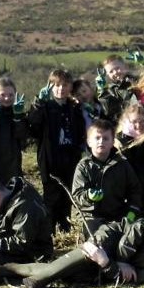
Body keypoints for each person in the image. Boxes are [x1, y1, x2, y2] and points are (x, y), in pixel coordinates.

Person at [0, 217, 144, 288]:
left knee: (73, 275)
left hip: (109, 261)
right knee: (89, 253)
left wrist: (107, 263)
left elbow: (128, 278)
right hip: (113, 237)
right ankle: (37, 281)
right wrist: (121, 260)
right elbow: (139, 228)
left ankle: (10, 268)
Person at [27, 69, 86, 233]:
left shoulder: (74, 108)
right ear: (50, 86)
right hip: (50, 160)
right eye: (57, 85)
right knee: (51, 197)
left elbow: (80, 131)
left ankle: (65, 229)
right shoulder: (45, 107)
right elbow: (33, 128)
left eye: (65, 85)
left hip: (70, 159)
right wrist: (37, 104)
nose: (61, 89)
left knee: (67, 196)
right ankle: (49, 231)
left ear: (70, 87)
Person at [72, 119, 143, 237]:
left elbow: (135, 190)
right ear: (89, 142)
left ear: (112, 142)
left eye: (106, 138)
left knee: (133, 235)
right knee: (98, 239)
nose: (101, 142)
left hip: (118, 214)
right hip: (91, 217)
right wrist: (88, 196)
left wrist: (132, 210)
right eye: (97, 138)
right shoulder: (83, 166)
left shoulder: (122, 164)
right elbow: (77, 194)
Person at [96, 54, 134, 123]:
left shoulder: (138, 81)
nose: (115, 72)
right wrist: (101, 91)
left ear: (126, 66)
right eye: (111, 71)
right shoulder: (111, 91)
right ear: (108, 75)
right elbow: (108, 112)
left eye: (117, 68)